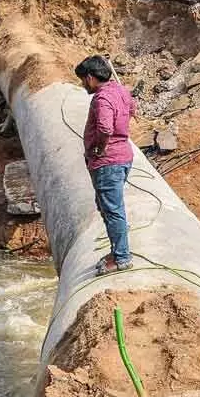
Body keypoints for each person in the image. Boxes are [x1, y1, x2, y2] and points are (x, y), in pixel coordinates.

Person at [75, 55, 137, 276]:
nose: (83, 85)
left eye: (83, 80)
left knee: (112, 210)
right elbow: (133, 109)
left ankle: (121, 257)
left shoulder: (102, 98)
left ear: (91, 78)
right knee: (108, 207)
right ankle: (118, 249)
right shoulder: (120, 90)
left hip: (108, 162)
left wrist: (99, 149)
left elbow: (104, 128)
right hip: (123, 156)